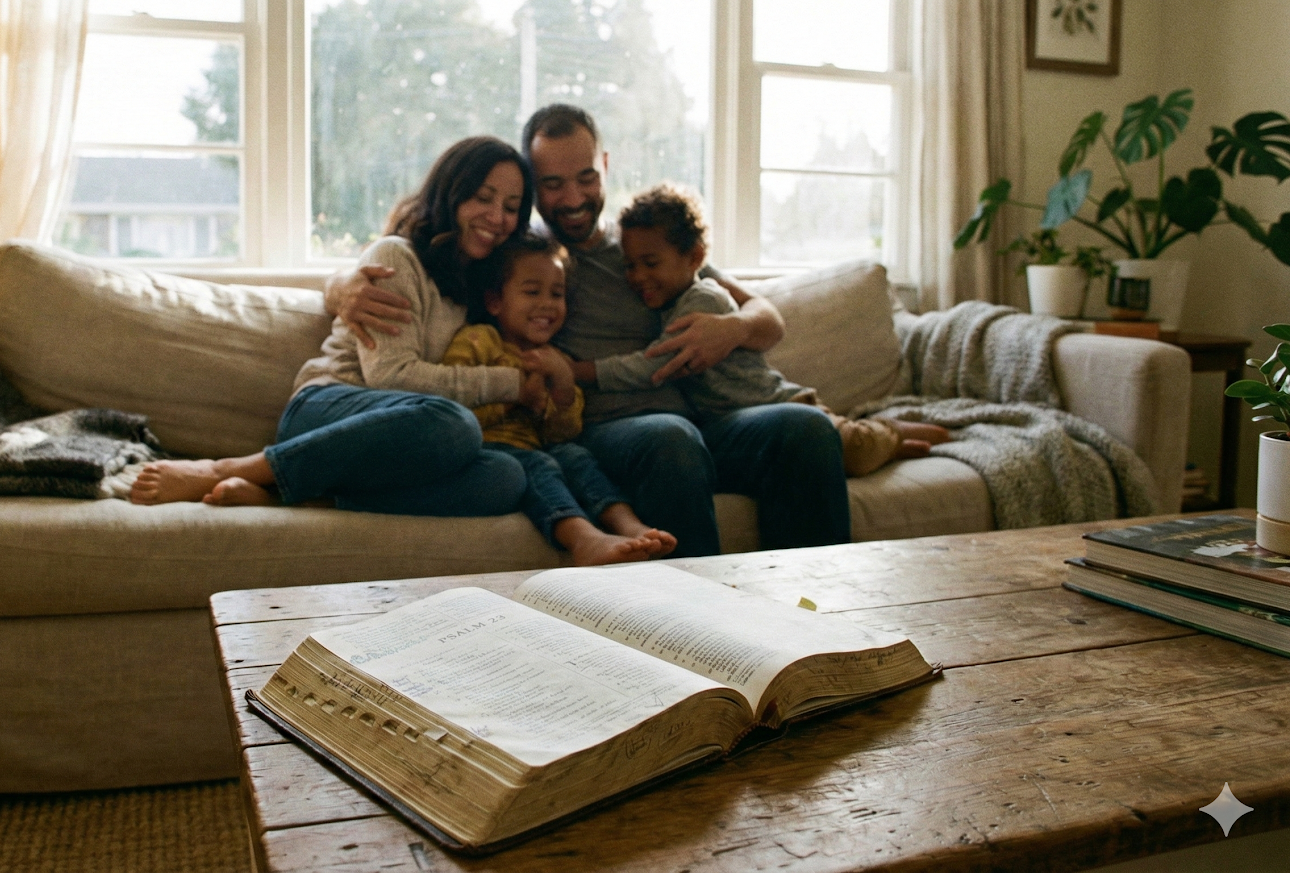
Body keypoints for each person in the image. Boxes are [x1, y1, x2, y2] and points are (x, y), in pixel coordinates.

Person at [326, 105, 851, 555]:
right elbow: (424, 263)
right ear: (534, 188)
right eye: (552, 185)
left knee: (804, 428)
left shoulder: (643, 245)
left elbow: (768, 317)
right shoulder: (521, 257)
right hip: (605, 431)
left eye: (585, 177)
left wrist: (732, 328)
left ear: (605, 166)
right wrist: (339, 286)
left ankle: (813, 618)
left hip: (700, 419)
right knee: (670, 438)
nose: (573, 198)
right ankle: (694, 623)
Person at [130, 136, 539, 516]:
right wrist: (512, 384)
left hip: (398, 441)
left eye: (511, 207)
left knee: (506, 476)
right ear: (450, 194)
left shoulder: (486, 290)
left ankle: (302, 497)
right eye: (483, 198)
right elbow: (391, 376)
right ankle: (229, 469)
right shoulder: (396, 257)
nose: (497, 217)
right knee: (455, 425)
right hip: (327, 411)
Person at [615, 183, 951, 477]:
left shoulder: (700, 282)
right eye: (630, 265)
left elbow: (768, 319)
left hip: (779, 400)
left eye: (650, 263)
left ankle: (897, 433)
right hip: (737, 419)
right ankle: (888, 441)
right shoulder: (653, 280)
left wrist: (733, 327)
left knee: (857, 449)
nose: (638, 275)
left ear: (694, 257)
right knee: (854, 450)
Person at [442, 233, 677, 564]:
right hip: (488, 451)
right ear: (495, 301)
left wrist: (564, 384)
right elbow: (451, 414)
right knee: (541, 464)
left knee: (575, 456)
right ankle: (584, 540)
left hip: (539, 449)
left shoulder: (553, 357)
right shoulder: (479, 340)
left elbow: (561, 433)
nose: (547, 304)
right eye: (532, 292)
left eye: (557, 293)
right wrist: (516, 398)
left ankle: (630, 526)